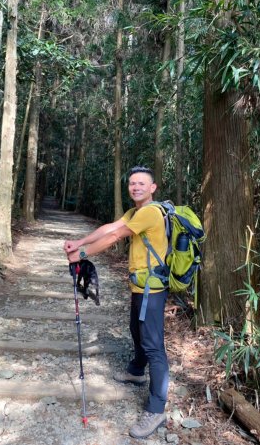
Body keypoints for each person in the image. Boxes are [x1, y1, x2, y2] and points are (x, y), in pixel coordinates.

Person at [63, 165, 169, 439]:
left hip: (153, 291)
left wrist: (82, 253)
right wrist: (79, 241)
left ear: (153, 188)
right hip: (140, 286)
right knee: (137, 331)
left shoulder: (150, 212)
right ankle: (136, 371)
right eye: (132, 183)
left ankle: (157, 409)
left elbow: (114, 237)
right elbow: (110, 226)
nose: (135, 187)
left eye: (141, 184)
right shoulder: (134, 212)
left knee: (154, 346)